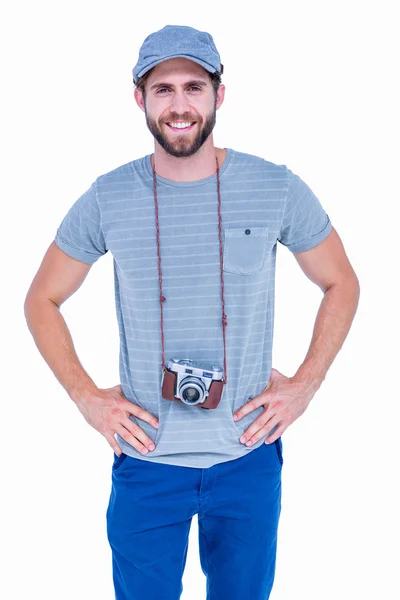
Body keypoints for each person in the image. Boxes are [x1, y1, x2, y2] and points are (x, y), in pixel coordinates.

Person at [24, 24, 360, 600]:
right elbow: (41, 299)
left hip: (247, 459)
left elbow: (341, 282)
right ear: (140, 99)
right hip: (147, 461)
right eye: (163, 90)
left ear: (218, 95)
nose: (180, 106)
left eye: (194, 87)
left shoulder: (275, 187)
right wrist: (86, 396)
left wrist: (305, 385)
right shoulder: (109, 197)